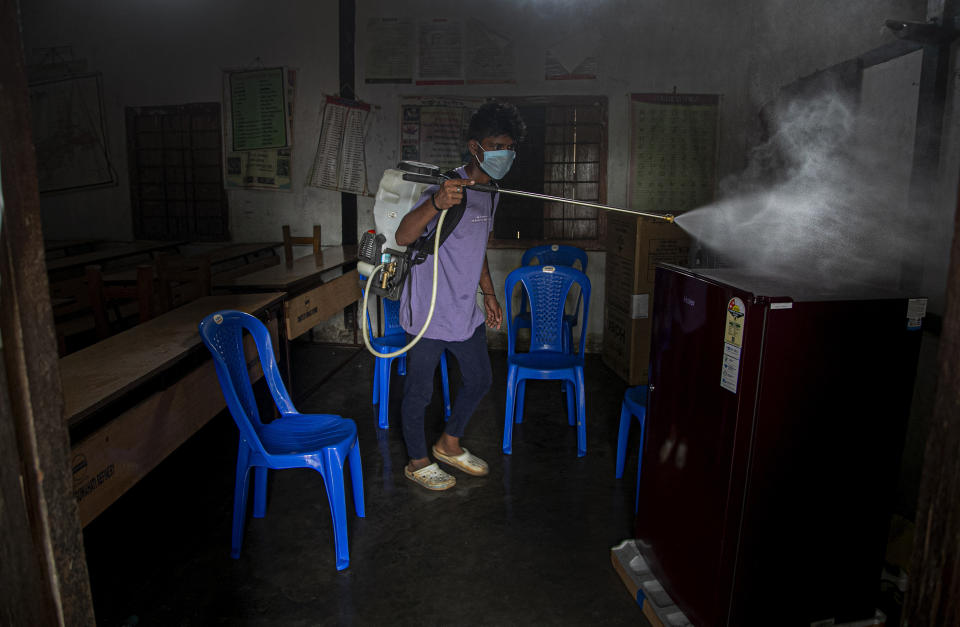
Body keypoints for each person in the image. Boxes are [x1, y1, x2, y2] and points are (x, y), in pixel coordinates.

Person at [395, 101, 526, 491]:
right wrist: (437, 202)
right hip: (429, 307)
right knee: (419, 391)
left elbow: (477, 247)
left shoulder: (493, 192)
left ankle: (448, 444)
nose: (503, 154)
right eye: (495, 146)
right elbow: (404, 236)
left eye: (509, 147)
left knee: (480, 378)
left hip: (463, 309)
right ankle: (418, 461)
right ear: (475, 147)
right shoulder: (445, 185)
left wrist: (488, 293)